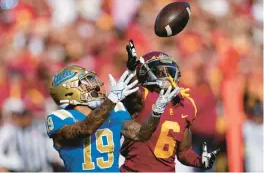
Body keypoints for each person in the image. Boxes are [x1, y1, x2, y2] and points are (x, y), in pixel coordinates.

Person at [46, 65, 181, 172]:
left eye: (92, 79)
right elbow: (84, 129)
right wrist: (112, 99)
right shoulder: (59, 118)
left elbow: (141, 134)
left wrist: (157, 111)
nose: (95, 85)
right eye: (85, 82)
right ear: (69, 91)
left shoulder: (114, 109)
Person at [120, 40, 220, 172]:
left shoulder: (186, 105)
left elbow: (184, 152)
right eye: (161, 72)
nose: (167, 76)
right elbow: (130, 89)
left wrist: (199, 161)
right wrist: (131, 70)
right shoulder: (143, 95)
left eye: (169, 71)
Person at [0, 98, 62, 172]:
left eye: (27, 114)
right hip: (21, 170)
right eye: (23, 114)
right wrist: (10, 164)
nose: (26, 117)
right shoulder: (10, 130)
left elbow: (51, 149)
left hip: (43, 169)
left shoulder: (41, 128)